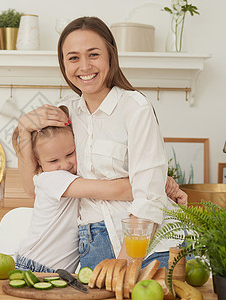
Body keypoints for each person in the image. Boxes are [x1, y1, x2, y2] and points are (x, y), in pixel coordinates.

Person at [14, 16, 187, 271]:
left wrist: (125, 261)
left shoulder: (135, 107)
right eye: (73, 58)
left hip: (149, 244)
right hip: (91, 244)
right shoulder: (65, 113)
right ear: (63, 64)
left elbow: (148, 196)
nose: (84, 66)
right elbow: (34, 188)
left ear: (110, 56)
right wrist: (22, 129)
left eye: (93, 54)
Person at [12, 113, 133, 273]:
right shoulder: (52, 179)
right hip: (36, 266)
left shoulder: (70, 177)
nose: (64, 164)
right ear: (39, 161)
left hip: (53, 270)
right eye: (53, 161)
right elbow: (117, 190)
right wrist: (152, 183)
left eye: (70, 154)